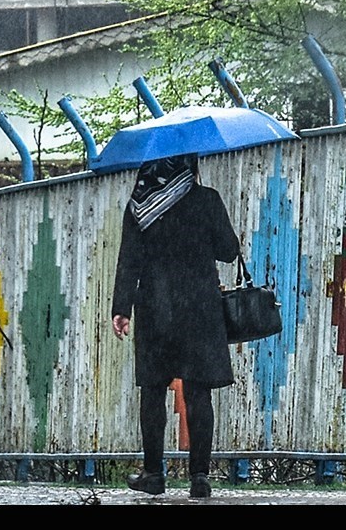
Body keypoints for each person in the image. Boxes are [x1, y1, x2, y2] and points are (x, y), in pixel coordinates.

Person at [111, 153, 240, 498]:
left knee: (153, 390)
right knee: (198, 391)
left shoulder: (140, 205)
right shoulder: (206, 199)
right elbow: (229, 250)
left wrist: (121, 308)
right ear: (190, 166)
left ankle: (154, 474)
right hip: (199, 306)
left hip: (155, 307)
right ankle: (200, 477)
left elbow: (129, 259)